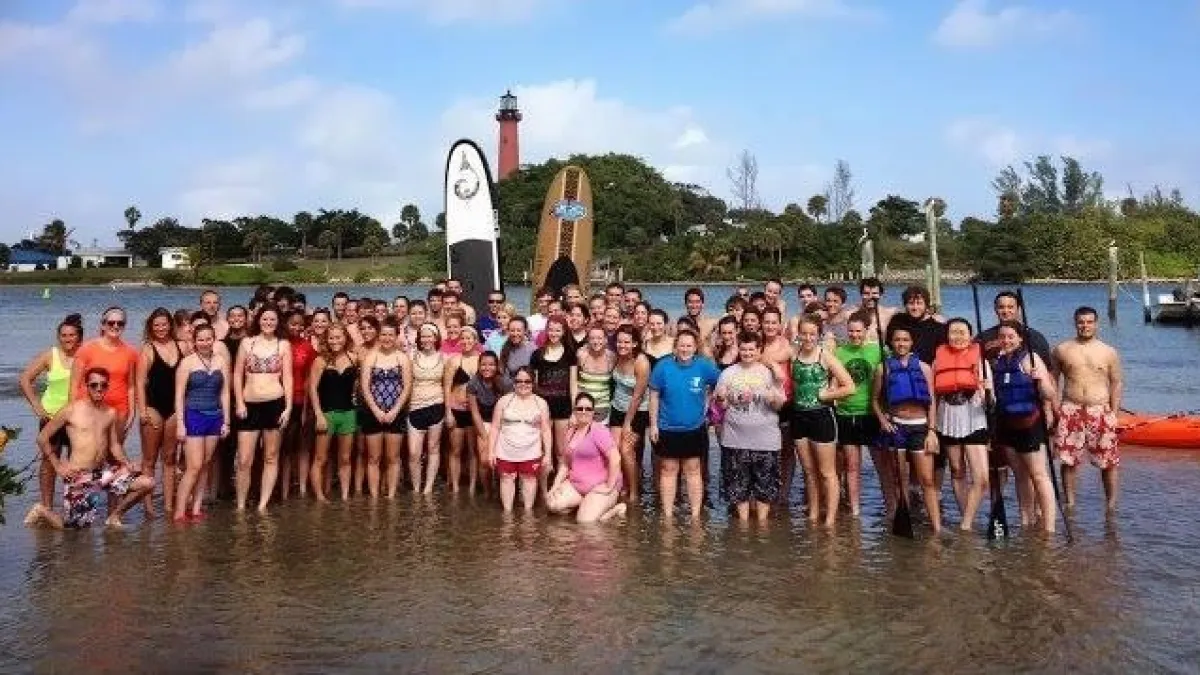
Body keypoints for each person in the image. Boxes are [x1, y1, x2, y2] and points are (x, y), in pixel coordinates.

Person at [24, 367, 155, 529]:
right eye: (94, 385)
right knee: (73, 530)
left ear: (107, 386)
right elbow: (42, 438)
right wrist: (58, 466)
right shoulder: (71, 410)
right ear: (86, 386)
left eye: (103, 385)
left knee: (147, 483)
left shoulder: (110, 413)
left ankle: (114, 516)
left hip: (103, 474)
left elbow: (114, 446)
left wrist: (126, 464)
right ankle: (41, 510)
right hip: (79, 476)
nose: (99, 389)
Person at [1052, 306, 1123, 511]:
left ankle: (1111, 505)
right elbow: (1053, 381)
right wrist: (1054, 409)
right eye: (1081, 322)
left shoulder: (1108, 352)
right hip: (1070, 408)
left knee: (1108, 461)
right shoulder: (1062, 349)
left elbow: (1116, 382)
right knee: (1068, 460)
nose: (1085, 326)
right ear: (1075, 323)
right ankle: (1070, 503)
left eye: (1089, 322)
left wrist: (1114, 413)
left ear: (1096, 324)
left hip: (1099, 410)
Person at [872, 325, 941, 532]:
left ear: (912, 343)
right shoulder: (883, 368)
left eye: (905, 340)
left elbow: (932, 401)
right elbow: (874, 400)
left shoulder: (924, 367)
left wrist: (932, 430)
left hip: (920, 427)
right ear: (891, 343)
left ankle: (936, 527)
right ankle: (905, 521)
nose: (901, 344)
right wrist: (883, 421)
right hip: (897, 428)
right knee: (899, 478)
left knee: (927, 479)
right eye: (897, 340)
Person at [991, 321, 1059, 531]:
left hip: (1030, 425)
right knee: (1020, 476)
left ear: (1020, 338)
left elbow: (1050, 394)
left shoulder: (1031, 358)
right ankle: (1026, 521)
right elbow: (995, 399)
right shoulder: (999, 361)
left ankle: (1049, 527)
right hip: (1008, 426)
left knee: (1038, 476)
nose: (1006, 341)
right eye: (1002, 337)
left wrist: (1040, 381)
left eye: (1011, 336)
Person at [714, 331, 788, 523]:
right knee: (738, 490)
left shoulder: (769, 373)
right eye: (743, 349)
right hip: (735, 440)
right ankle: (743, 529)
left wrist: (773, 399)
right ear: (738, 349)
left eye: (751, 349)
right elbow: (721, 405)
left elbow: (780, 405)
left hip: (766, 441)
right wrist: (721, 398)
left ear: (759, 350)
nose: (747, 353)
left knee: (765, 489)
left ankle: (762, 528)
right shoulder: (728, 373)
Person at [648, 329, 720, 522]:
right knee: (668, 469)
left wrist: (711, 402)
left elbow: (720, 382)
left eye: (689, 346)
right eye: (681, 345)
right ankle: (668, 515)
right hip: (667, 427)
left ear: (695, 347)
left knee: (694, 470)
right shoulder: (663, 367)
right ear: (675, 346)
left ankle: (695, 516)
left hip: (694, 427)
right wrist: (653, 425)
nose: (685, 349)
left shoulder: (703, 366)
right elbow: (654, 396)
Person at [789, 316, 855, 526]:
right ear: (798, 334)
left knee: (827, 472)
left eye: (812, 334)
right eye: (804, 333)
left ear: (819, 335)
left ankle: (830, 520)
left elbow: (849, 387)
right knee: (809, 471)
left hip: (822, 417)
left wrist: (828, 395)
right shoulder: (793, 354)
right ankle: (813, 514)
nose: (808, 338)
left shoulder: (825, 356)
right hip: (799, 417)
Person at [932, 318, 991, 531]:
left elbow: (991, 400)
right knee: (957, 471)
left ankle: (965, 524)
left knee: (981, 478)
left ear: (970, 336)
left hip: (974, 419)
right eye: (953, 332)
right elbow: (933, 397)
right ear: (947, 336)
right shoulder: (938, 360)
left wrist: (986, 392)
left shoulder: (981, 362)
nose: (957, 336)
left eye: (962, 332)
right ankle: (967, 519)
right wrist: (932, 428)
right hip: (948, 420)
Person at [232, 307, 293, 513]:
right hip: (249, 405)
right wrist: (239, 402)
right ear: (259, 320)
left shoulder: (283, 344)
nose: (268, 322)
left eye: (272, 319)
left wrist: (288, 407)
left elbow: (288, 377)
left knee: (271, 456)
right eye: (265, 319)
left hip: (275, 404)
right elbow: (237, 374)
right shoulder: (247, 343)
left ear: (278, 322)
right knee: (244, 459)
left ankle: (262, 505)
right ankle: (241, 505)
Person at [19, 314, 83, 508]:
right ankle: (46, 507)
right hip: (51, 417)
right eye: (63, 335)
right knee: (48, 462)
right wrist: (37, 407)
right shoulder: (50, 355)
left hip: (76, 418)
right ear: (58, 337)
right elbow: (25, 379)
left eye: (71, 335)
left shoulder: (85, 354)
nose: (67, 339)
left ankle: (73, 507)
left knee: (76, 462)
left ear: (79, 336)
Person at [173, 324, 230, 523]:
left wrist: (226, 421)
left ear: (214, 339)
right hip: (194, 415)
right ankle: (180, 512)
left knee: (206, 464)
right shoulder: (187, 363)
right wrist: (180, 423)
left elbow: (225, 393)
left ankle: (196, 509)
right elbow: (179, 396)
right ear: (195, 341)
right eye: (201, 339)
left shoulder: (221, 360)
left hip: (215, 416)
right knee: (194, 466)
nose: (205, 343)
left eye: (208, 339)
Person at [546, 393, 627, 523]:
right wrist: (555, 485)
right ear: (574, 411)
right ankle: (585, 504)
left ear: (593, 412)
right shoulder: (570, 432)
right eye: (580, 408)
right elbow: (565, 464)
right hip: (577, 485)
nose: (584, 412)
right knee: (552, 504)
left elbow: (615, 459)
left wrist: (609, 486)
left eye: (588, 409)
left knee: (585, 522)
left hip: (600, 485)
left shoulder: (599, 431)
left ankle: (615, 509)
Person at [833, 313, 882, 517]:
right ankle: (855, 510)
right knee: (852, 466)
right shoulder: (839, 352)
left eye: (858, 331)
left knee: (882, 466)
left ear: (867, 330)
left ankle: (891, 506)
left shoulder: (878, 350)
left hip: (871, 414)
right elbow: (833, 382)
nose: (854, 335)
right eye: (851, 331)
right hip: (846, 413)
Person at [488, 366, 553, 513]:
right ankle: (507, 518)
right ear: (514, 382)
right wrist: (491, 451)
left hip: (531, 452)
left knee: (529, 479)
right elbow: (495, 427)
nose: (523, 384)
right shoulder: (504, 401)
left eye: (527, 381)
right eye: (519, 381)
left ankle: (528, 518)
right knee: (506, 478)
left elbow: (546, 430)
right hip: (505, 451)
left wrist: (548, 454)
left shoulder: (541, 403)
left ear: (533, 382)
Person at [361, 319, 414, 498]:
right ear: (379, 335)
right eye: (383, 334)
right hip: (372, 412)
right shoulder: (371, 357)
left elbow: (407, 387)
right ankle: (374, 497)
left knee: (393, 457)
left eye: (391, 334)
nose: (387, 338)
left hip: (395, 412)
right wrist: (376, 410)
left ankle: (391, 496)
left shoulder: (402, 358)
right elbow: (365, 387)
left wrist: (395, 411)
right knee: (373, 458)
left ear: (396, 336)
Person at [71, 307, 139, 442]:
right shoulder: (86, 349)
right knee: (88, 450)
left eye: (120, 323)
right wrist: (73, 411)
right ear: (103, 325)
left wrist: (132, 413)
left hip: (119, 410)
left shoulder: (131, 352)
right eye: (111, 323)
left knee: (115, 450)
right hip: (89, 409)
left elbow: (131, 386)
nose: (115, 326)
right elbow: (74, 384)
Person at [309, 322, 358, 502]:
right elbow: (313, 389)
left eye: (339, 337)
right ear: (326, 340)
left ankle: (344, 496)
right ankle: (320, 497)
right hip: (326, 414)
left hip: (348, 413)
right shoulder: (320, 360)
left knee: (345, 458)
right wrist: (318, 415)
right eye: (331, 338)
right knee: (320, 458)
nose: (335, 341)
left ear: (345, 338)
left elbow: (360, 382)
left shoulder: (354, 358)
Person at [609, 325, 651, 503]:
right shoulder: (617, 357)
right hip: (617, 407)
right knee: (614, 450)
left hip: (637, 411)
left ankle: (634, 492)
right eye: (619, 342)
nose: (622, 345)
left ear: (635, 343)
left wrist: (627, 423)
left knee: (626, 451)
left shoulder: (641, 362)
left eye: (627, 342)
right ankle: (622, 485)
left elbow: (637, 396)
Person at [406, 323, 449, 495]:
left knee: (433, 448)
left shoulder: (444, 358)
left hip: (436, 405)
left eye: (429, 336)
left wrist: (448, 410)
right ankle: (416, 488)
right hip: (415, 406)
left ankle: (428, 488)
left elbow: (446, 385)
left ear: (436, 338)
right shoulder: (411, 356)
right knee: (413, 453)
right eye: (423, 336)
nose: (426, 340)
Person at [467, 351, 512, 497]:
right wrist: (486, 438)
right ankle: (487, 492)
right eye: (484, 364)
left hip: (502, 422)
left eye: (491, 364)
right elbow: (475, 413)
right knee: (484, 460)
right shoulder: (473, 383)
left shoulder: (505, 383)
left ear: (497, 366)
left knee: (500, 459)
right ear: (479, 366)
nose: (487, 368)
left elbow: (508, 410)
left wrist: (498, 433)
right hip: (483, 421)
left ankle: (501, 490)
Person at [445, 326, 482, 493]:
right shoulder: (454, 361)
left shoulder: (481, 360)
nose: (466, 341)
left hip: (474, 410)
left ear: (475, 340)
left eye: (469, 338)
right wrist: (448, 412)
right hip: (456, 408)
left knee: (473, 450)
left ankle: (473, 486)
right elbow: (447, 388)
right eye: (463, 338)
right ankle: (455, 487)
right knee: (455, 450)